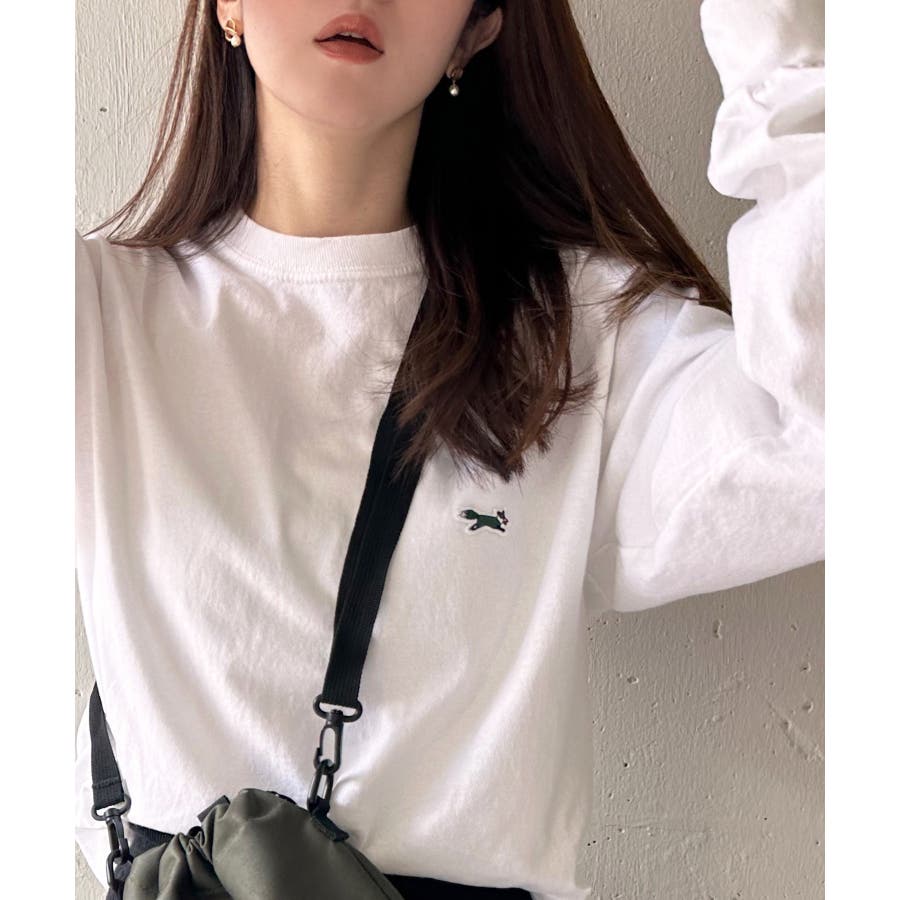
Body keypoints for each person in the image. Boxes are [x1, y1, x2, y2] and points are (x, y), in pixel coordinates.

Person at [74, 1, 824, 898]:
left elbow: (834, 433)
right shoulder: (95, 313)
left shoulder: (578, 341)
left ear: (476, 28)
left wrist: (781, 52)